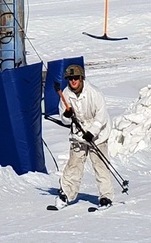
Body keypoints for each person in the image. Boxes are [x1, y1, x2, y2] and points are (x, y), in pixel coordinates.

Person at [53, 64, 114, 210]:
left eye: (76, 78)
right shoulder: (66, 95)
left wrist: (92, 132)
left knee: (100, 165)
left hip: (98, 134)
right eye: (70, 79)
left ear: (81, 78)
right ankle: (67, 193)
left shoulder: (94, 93)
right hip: (79, 134)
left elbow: (101, 116)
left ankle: (106, 196)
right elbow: (64, 118)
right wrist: (67, 117)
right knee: (74, 164)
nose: (73, 81)